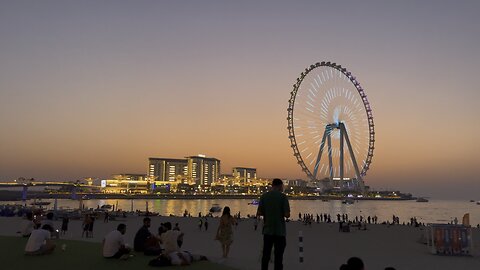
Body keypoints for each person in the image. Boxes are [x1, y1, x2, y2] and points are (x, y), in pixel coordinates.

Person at [257, 178, 290, 270]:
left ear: (272, 186)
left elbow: (259, 212)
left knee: (266, 255)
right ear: (280, 186)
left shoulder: (264, 196)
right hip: (280, 231)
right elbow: (287, 215)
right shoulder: (283, 197)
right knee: (278, 257)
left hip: (267, 230)